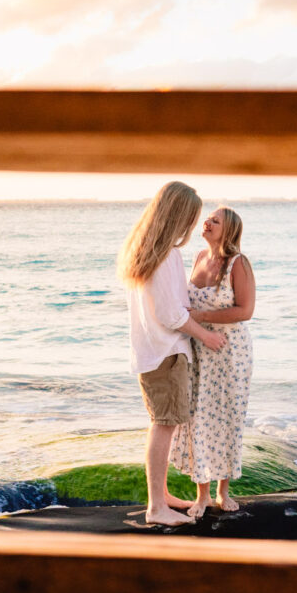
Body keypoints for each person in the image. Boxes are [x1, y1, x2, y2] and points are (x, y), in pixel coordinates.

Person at [118, 182, 226, 526]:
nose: (193, 225)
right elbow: (171, 314)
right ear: (179, 216)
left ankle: (161, 495)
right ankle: (156, 508)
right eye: (192, 217)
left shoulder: (142, 250)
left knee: (163, 423)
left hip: (151, 351)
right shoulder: (165, 255)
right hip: (167, 353)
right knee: (164, 426)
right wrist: (206, 335)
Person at [175, 206, 255, 519]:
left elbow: (245, 311)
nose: (206, 222)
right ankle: (202, 495)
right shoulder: (198, 257)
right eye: (208, 218)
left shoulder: (238, 263)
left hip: (230, 352)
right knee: (197, 418)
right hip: (198, 350)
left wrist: (201, 316)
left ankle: (224, 491)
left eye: (215, 221)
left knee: (227, 417)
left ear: (228, 230)